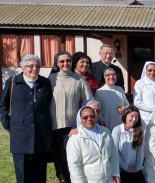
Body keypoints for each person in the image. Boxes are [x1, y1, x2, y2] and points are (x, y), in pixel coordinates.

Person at [0, 55, 52, 183]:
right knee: (23, 175)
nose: (34, 69)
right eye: (31, 66)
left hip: (41, 135)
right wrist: (8, 125)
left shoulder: (45, 83)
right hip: (20, 136)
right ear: (22, 68)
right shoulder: (12, 82)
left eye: (37, 66)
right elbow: (3, 105)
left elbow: (49, 103)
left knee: (40, 174)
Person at [48, 51, 93, 183]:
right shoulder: (51, 79)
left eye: (68, 60)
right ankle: (62, 178)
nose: (65, 63)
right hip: (55, 125)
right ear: (57, 63)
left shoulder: (79, 80)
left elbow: (89, 101)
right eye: (62, 61)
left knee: (73, 157)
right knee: (59, 157)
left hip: (73, 126)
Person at [66, 106, 120, 183]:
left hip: (109, 180)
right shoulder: (75, 138)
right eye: (85, 117)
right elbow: (74, 165)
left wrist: (116, 173)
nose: (89, 119)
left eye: (92, 116)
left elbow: (114, 154)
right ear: (80, 119)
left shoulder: (106, 132)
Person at [112, 106, 146, 183]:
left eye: (137, 117)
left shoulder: (139, 131)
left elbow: (140, 151)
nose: (134, 119)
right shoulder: (117, 130)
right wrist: (125, 168)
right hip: (121, 170)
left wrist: (138, 167)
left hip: (135, 169)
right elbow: (115, 151)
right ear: (125, 116)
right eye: (132, 116)